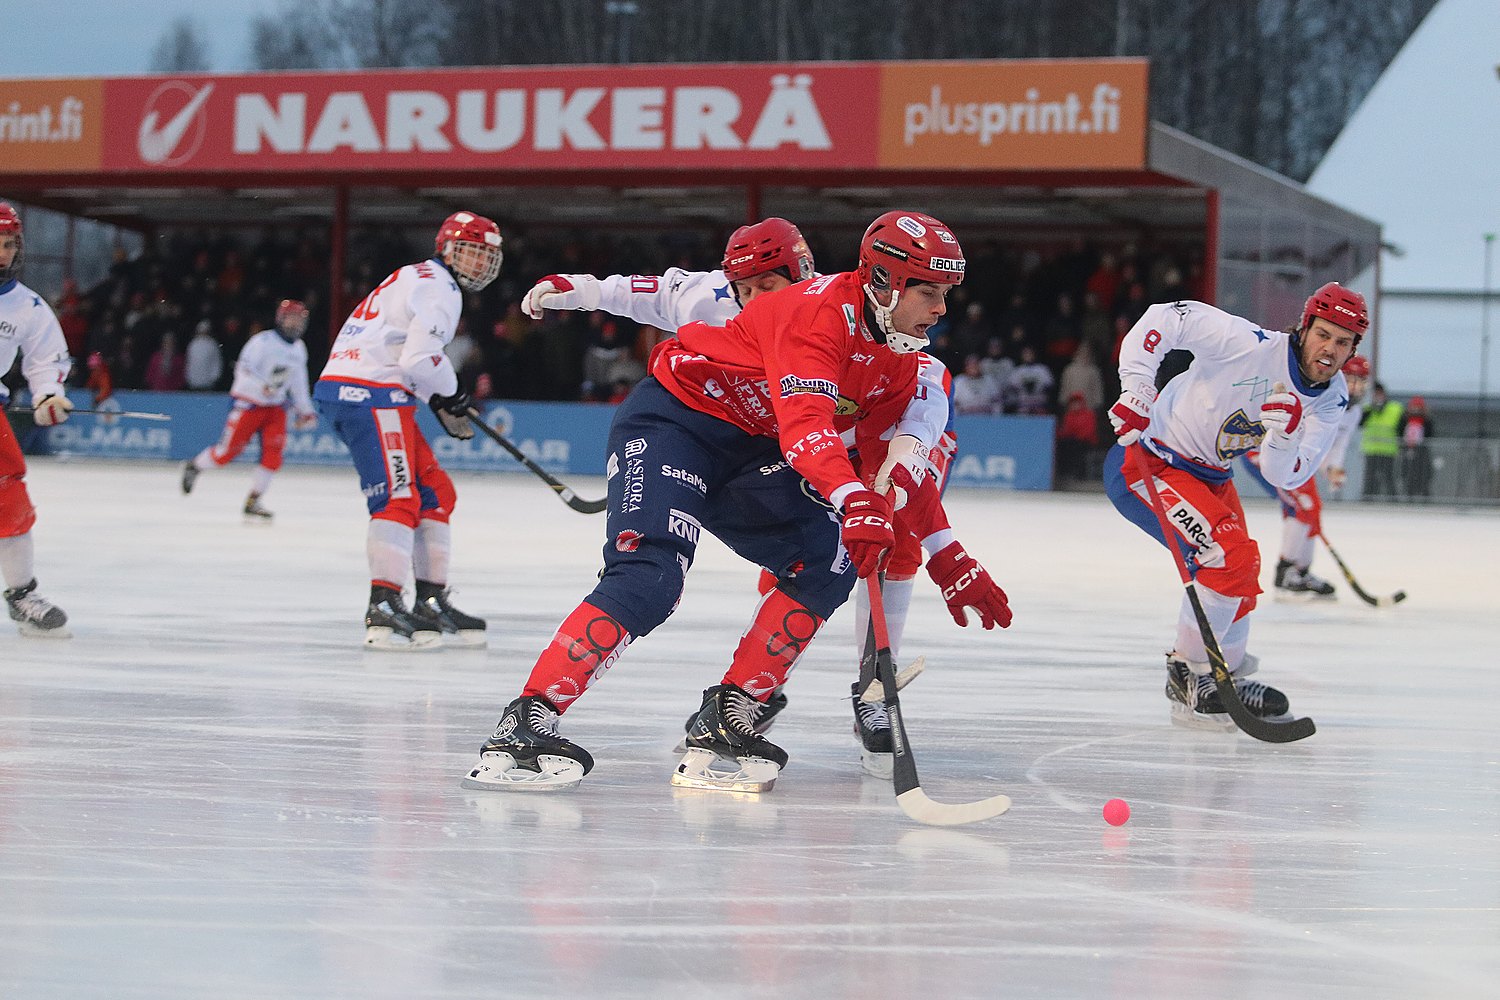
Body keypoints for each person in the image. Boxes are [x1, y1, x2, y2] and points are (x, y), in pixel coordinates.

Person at [466, 210, 1011, 793]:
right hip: (676, 422)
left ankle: (731, 713)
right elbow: (807, 432)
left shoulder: (900, 360)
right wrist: (853, 499)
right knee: (649, 576)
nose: (942, 309)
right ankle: (526, 722)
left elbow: (889, 464)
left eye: (946, 293)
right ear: (883, 283)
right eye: (929, 291)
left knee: (830, 559)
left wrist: (947, 556)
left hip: (753, 448)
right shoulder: (818, 315)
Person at [1103, 282, 1366, 729]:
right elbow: (1164, 318)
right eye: (1323, 334)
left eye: (1343, 342)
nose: (1330, 350)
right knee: (1228, 556)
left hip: (1211, 477)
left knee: (1242, 571)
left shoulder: (1333, 396)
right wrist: (1138, 389)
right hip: (1150, 462)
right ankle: (1187, 671)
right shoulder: (1245, 342)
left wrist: (1283, 438)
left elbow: (1289, 476)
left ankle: (1228, 674)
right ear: (1304, 328)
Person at [313, 211, 502, 650]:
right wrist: (451, 394)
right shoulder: (440, 287)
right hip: (370, 392)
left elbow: (405, 355)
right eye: (472, 253)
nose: (480, 264)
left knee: (436, 492)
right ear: (449, 250)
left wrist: (437, 398)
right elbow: (418, 359)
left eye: (486, 256)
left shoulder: (418, 276)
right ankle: (383, 604)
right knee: (399, 498)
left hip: (370, 388)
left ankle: (430, 600)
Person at [1240, 353, 1370, 599]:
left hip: (1297, 461)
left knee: (1311, 509)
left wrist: (1333, 469)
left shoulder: (1352, 413)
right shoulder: (1324, 394)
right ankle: (1286, 573)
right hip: (1268, 455)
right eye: (1351, 379)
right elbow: (1303, 438)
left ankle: (1301, 570)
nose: (1355, 386)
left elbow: (1334, 447)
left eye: (1361, 381)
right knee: (1302, 507)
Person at [0, 202, 73, 637]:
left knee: (10, 498)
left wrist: (49, 395)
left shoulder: (28, 306)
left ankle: (22, 594)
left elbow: (47, 361)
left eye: (10, 245)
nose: (3, 254)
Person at [181, 300, 317, 520]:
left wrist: (306, 410)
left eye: (299, 319)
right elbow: (243, 372)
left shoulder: (299, 349)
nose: (295, 324)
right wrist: (261, 387)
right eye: (291, 318)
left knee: (273, 456)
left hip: (275, 409)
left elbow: (299, 383)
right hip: (249, 405)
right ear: (281, 319)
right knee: (226, 453)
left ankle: (254, 500)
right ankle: (194, 466)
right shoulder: (262, 342)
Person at [1360, 382, 1402, 499]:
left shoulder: (1394, 408)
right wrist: (1372, 408)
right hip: (1371, 450)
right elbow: (1360, 423)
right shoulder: (1368, 410)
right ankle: (1367, 499)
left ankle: (1392, 499)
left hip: (1388, 450)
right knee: (1370, 477)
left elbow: (1401, 427)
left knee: (1388, 477)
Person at [1398, 395, 1434, 500]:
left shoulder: (1426, 421)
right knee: (1408, 474)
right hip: (1408, 450)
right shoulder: (1405, 419)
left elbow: (1430, 433)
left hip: (1422, 451)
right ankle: (1410, 495)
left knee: (1423, 474)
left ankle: (1424, 496)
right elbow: (1400, 431)